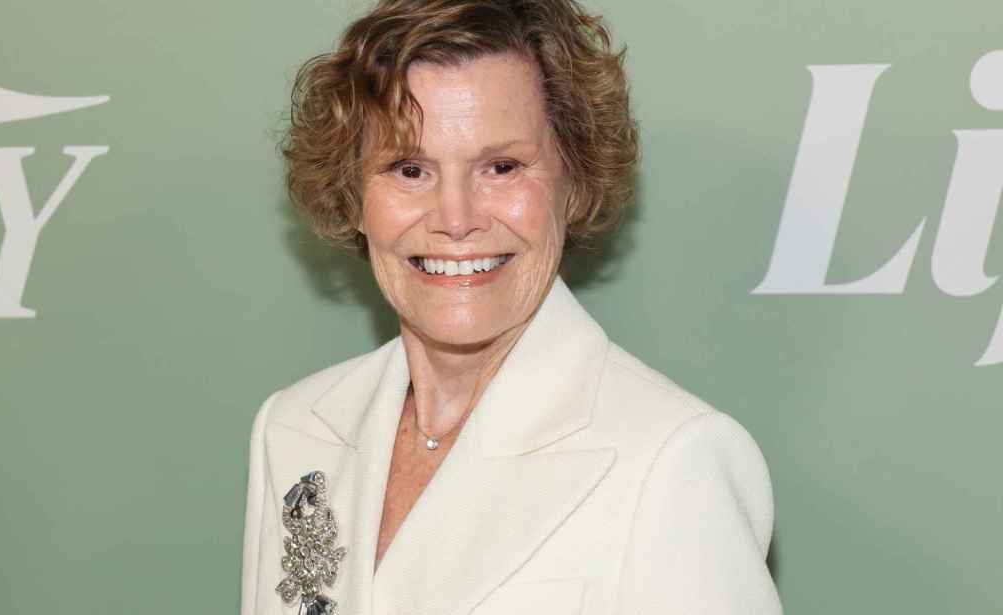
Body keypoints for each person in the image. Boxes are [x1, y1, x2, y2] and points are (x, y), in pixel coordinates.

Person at [240, 1, 782, 613]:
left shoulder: (675, 458)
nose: (455, 219)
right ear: (353, 194)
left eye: (501, 167)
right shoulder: (292, 428)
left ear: (574, 184)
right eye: (409, 169)